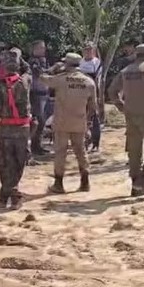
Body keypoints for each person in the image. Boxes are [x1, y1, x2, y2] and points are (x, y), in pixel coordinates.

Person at [108, 43, 144, 197]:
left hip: (130, 114)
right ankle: (143, 180)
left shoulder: (126, 71)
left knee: (134, 151)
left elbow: (112, 91)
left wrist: (121, 106)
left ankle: (135, 185)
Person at [40, 53, 96, 194]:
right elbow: (93, 106)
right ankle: (85, 182)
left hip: (62, 122)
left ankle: (58, 184)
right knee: (81, 151)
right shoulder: (88, 81)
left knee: (60, 152)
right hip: (79, 121)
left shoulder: (61, 79)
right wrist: (88, 121)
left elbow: (42, 78)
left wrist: (53, 68)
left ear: (67, 64)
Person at [0, 56, 32, 209]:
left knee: (5, 162)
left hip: (6, 129)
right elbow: (29, 70)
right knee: (19, 161)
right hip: (22, 129)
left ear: (4, 69)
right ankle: (14, 195)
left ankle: (4, 196)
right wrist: (19, 56)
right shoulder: (25, 82)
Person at [79, 41, 104, 153]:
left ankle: (95, 143)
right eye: (86, 49)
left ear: (93, 51)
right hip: (80, 93)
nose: (88, 52)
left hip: (92, 92)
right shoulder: (80, 62)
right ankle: (84, 141)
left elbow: (97, 79)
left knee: (94, 117)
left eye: (90, 49)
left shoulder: (97, 63)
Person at [28, 40, 51, 155]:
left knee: (42, 121)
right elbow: (40, 73)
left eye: (43, 47)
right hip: (36, 94)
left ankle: (38, 145)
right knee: (38, 121)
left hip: (45, 93)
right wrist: (53, 69)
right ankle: (34, 146)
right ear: (34, 49)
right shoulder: (33, 61)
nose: (43, 50)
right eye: (40, 48)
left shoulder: (44, 60)